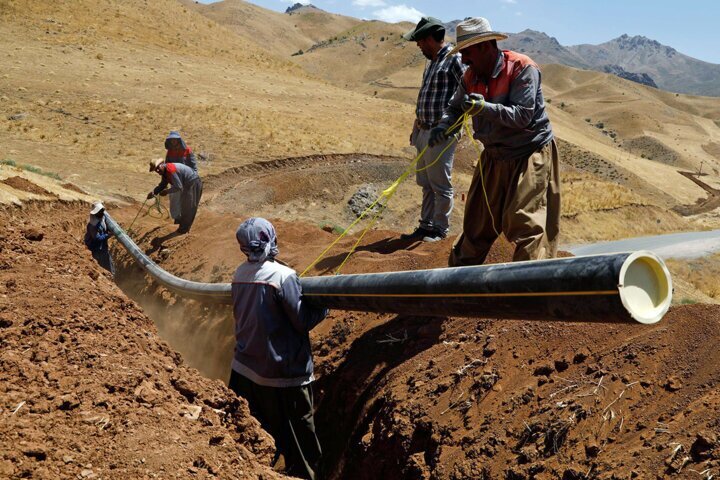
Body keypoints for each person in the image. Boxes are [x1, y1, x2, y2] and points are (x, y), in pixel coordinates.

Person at [429, 17, 560, 266]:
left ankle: (526, 292)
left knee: (526, 224)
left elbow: (523, 116)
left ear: (485, 46)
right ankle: (458, 289)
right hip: (493, 156)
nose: (464, 59)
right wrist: (444, 125)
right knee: (476, 224)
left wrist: (484, 108)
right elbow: (456, 107)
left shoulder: (522, 68)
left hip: (528, 154)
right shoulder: (470, 76)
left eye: (467, 52)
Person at [229, 218, 328, 480]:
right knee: (301, 445)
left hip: (245, 371)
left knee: (259, 435)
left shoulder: (239, 274)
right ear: (271, 239)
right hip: (284, 376)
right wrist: (326, 303)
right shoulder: (283, 277)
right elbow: (302, 321)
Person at [400, 17, 465, 243]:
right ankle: (425, 225)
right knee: (425, 182)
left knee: (440, 184)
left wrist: (447, 125)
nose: (418, 46)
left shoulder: (454, 59)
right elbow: (424, 97)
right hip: (423, 131)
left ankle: (440, 230)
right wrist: (415, 128)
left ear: (429, 39)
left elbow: (467, 93)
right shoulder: (432, 62)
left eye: (419, 41)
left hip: (442, 133)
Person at [147, 158, 203, 234]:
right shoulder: (165, 172)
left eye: (158, 168)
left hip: (193, 183)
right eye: (155, 170)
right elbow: (163, 184)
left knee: (189, 206)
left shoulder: (170, 170)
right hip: (187, 184)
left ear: (162, 164)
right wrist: (154, 192)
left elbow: (178, 187)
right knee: (184, 204)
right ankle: (183, 226)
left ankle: (184, 229)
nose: (157, 171)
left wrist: (167, 191)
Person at [163, 131, 198, 224]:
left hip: (187, 178)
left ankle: (187, 218)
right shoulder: (169, 152)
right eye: (171, 140)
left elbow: (193, 166)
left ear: (179, 140)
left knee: (188, 199)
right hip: (175, 178)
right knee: (174, 197)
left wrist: (194, 179)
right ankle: (177, 217)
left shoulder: (187, 150)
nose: (173, 141)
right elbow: (166, 167)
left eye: (175, 139)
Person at [84, 201, 114, 275]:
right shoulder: (92, 225)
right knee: (101, 268)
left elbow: (104, 229)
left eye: (102, 211)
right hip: (96, 249)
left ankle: (112, 278)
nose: (102, 213)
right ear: (96, 213)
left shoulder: (102, 219)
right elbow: (97, 238)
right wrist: (109, 235)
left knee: (109, 267)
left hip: (103, 247)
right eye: (100, 211)